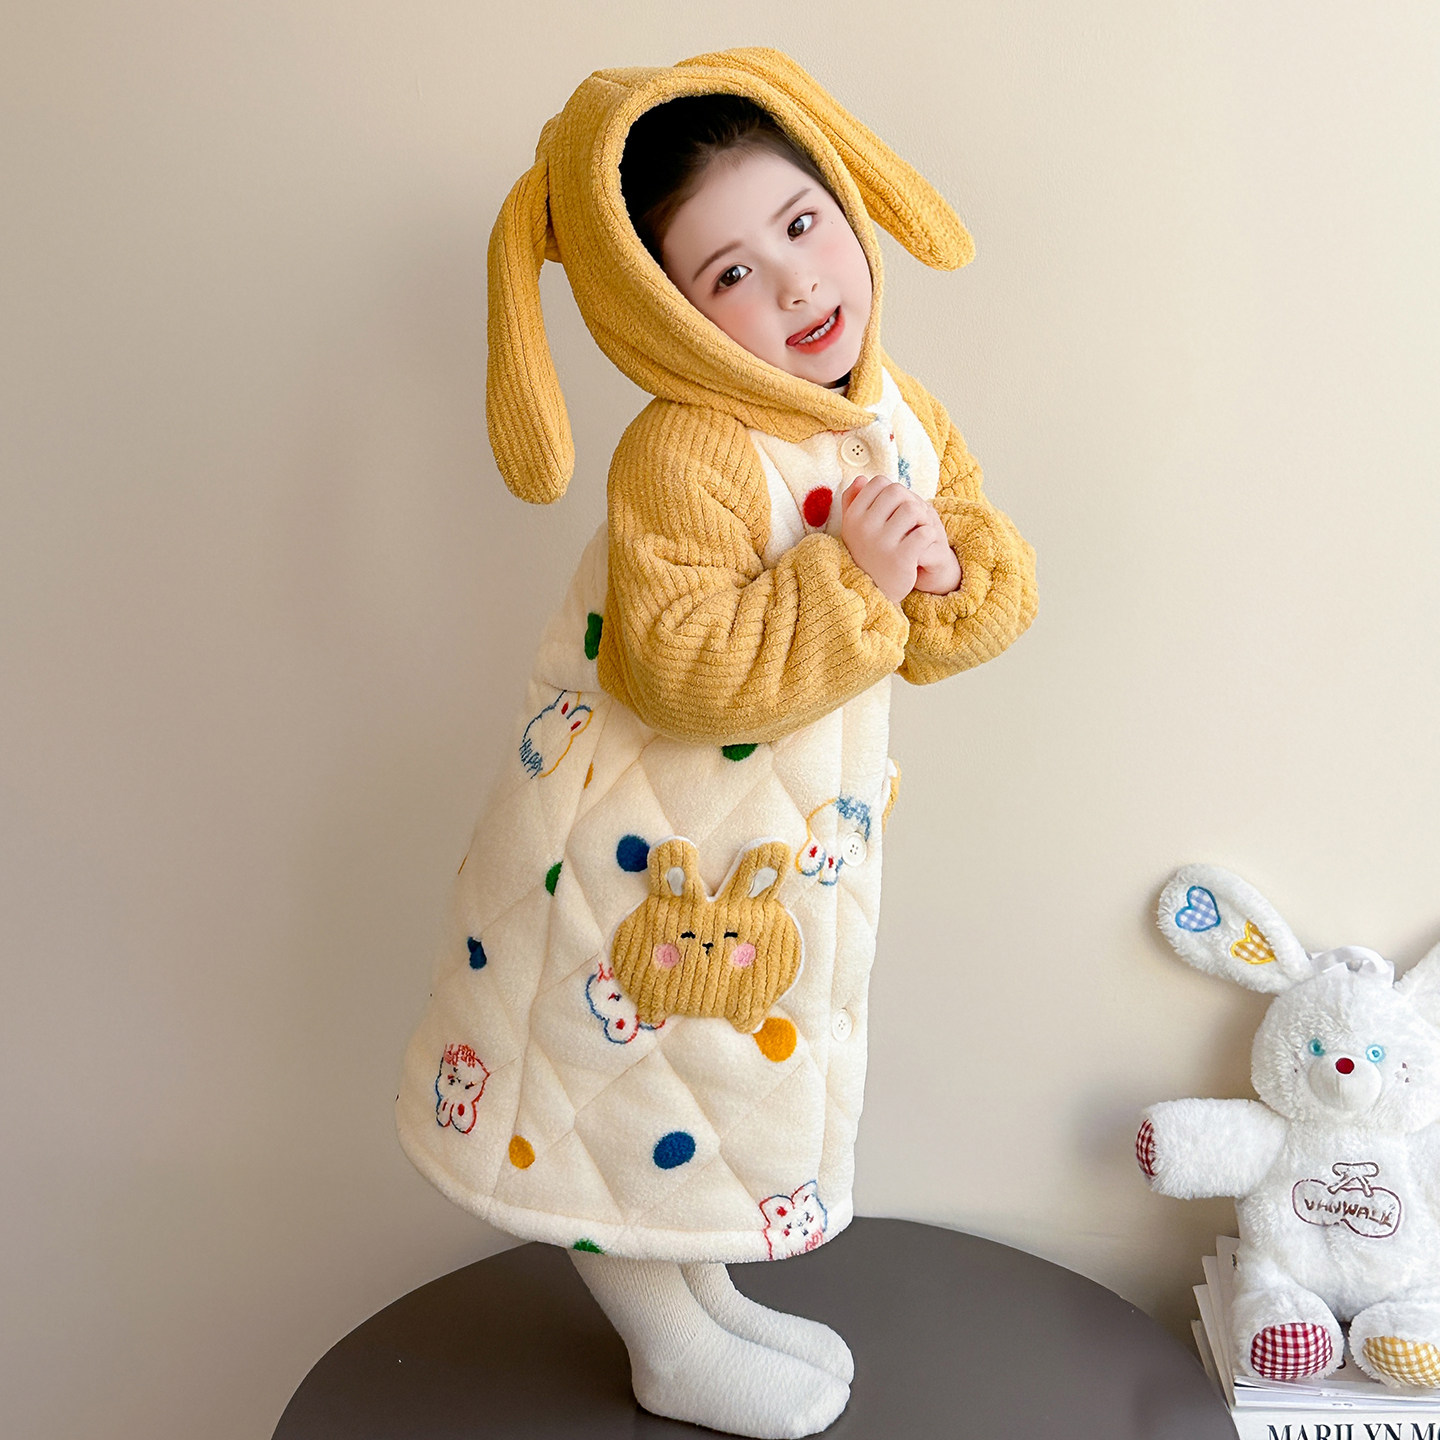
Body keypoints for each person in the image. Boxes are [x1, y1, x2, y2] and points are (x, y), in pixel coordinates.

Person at [396, 48, 1037, 1440]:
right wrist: (852, 577)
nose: (797, 283)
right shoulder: (684, 450)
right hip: (633, 856)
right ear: (665, 314)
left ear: (846, 205)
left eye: (803, 223)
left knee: (714, 1088)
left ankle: (703, 1300)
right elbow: (680, 667)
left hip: (776, 850)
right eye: (732, 272)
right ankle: (665, 1340)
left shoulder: (898, 415)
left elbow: (972, 604)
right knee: (616, 1082)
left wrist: (940, 576)